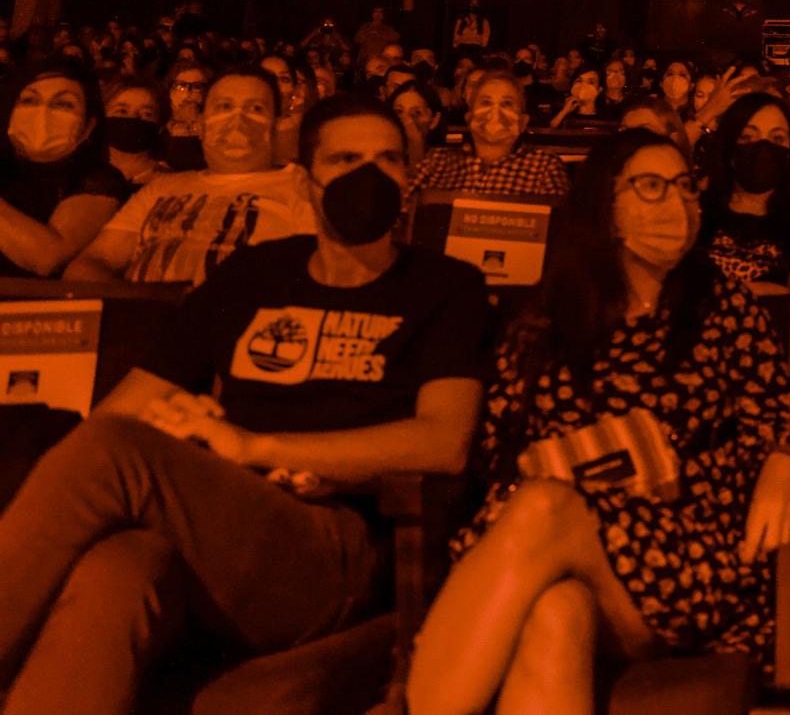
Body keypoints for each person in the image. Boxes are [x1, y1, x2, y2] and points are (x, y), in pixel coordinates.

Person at [0, 94, 487, 714]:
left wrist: (254, 446)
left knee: (115, 451)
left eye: (388, 159)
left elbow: (444, 441)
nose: (369, 175)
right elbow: (126, 409)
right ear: (309, 182)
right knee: (120, 568)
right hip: (221, 526)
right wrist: (189, 435)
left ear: (407, 178)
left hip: (333, 541)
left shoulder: (444, 286)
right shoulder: (255, 274)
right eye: (346, 159)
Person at [405, 130, 790, 715]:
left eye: (684, 187)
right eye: (651, 188)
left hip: (684, 555)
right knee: (555, 613)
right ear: (606, 203)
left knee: (546, 506)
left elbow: (778, 410)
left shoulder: (722, 305)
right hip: (552, 552)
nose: (675, 205)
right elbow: (497, 448)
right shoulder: (545, 322)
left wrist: (785, 458)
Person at [65, 68, 317, 285]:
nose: (237, 120)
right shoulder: (162, 189)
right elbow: (91, 263)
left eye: (256, 108)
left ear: (275, 125)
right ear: (201, 125)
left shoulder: (303, 188)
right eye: (224, 107)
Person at [0, 62, 128, 278]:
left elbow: (48, 258)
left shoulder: (98, 180)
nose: (43, 113)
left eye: (64, 105)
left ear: (88, 127)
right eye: (29, 101)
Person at [407, 71, 569, 210]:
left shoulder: (544, 167)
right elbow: (402, 210)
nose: (495, 112)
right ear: (469, 118)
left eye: (507, 104)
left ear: (523, 122)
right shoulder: (437, 161)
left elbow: (560, 227)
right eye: (486, 102)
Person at [697, 91, 790, 287]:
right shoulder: (698, 210)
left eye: (777, 139)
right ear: (729, 145)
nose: (763, 149)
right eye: (748, 138)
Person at [100, 76, 168, 189]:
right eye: (122, 111)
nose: (133, 118)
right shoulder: (81, 174)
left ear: (160, 126)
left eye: (146, 114)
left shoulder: (169, 182)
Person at [161, 61, 211, 172]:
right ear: (170, 90)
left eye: (196, 86)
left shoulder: (212, 126)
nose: (188, 92)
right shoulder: (159, 123)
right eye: (181, 85)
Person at [392, 80, 446, 170]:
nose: (406, 120)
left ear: (434, 120)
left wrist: (415, 147)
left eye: (416, 113)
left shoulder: (443, 161)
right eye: (398, 112)